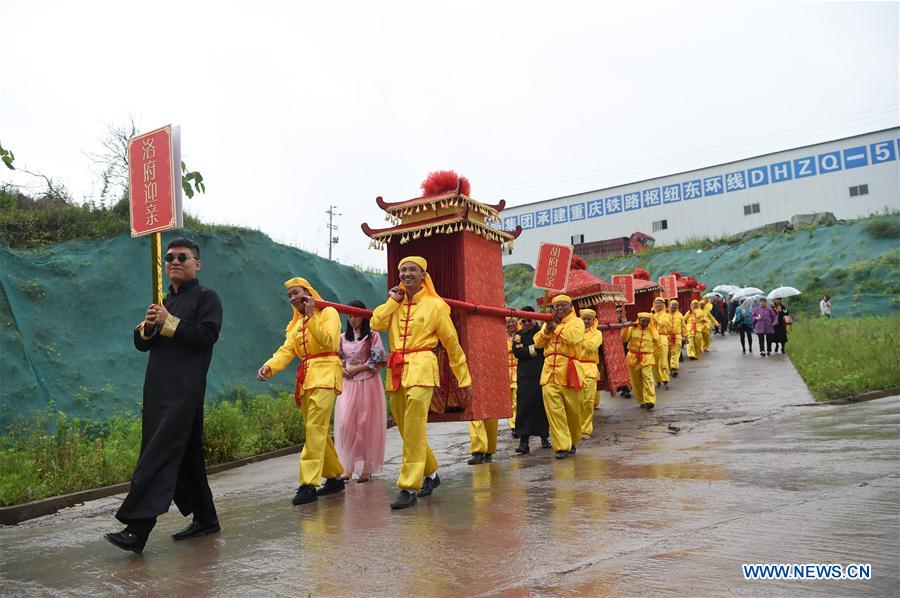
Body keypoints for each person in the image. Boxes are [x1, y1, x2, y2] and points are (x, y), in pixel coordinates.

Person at [106, 238, 223, 554]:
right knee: (186, 460)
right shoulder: (162, 303)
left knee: (156, 456)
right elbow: (142, 343)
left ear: (196, 264)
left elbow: (207, 334)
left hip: (183, 394)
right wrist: (147, 327)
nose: (174, 261)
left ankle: (137, 529)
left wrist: (170, 324)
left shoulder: (206, 298)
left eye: (182, 257)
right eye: (169, 257)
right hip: (157, 393)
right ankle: (206, 518)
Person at [370, 256, 472, 509]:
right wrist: (392, 301)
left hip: (423, 367)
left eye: (412, 270)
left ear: (423, 275)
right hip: (397, 369)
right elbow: (375, 324)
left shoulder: (435, 306)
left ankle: (408, 486)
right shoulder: (394, 303)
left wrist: (464, 377)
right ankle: (432, 474)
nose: (406, 273)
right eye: (402, 269)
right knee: (407, 430)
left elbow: (452, 344)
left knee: (415, 425)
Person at [257, 277, 345, 505]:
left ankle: (308, 483)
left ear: (308, 292)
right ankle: (334, 477)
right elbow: (286, 350)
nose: (293, 298)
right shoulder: (295, 325)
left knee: (315, 427)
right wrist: (270, 366)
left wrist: (310, 316)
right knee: (316, 430)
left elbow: (328, 343)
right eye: (290, 296)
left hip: (326, 372)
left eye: (296, 293)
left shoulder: (329, 313)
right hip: (307, 376)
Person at [335, 300, 387, 483]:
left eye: (356, 315)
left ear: (363, 316)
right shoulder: (342, 338)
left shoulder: (372, 335)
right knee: (345, 423)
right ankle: (346, 466)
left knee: (365, 424)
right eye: (349, 316)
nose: (352, 319)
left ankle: (367, 467)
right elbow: (337, 359)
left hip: (367, 383)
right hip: (348, 384)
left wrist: (356, 369)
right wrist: (342, 370)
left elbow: (377, 361)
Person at [534, 295, 586, 459]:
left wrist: (555, 327)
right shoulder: (548, 322)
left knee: (573, 411)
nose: (560, 308)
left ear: (571, 307)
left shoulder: (577, 322)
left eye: (563, 305)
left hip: (569, 371)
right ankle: (562, 446)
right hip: (549, 371)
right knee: (554, 411)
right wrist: (546, 332)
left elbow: (573, 338)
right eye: (556, 306)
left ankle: (573, 439)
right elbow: (537, 344)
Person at [512, 307, 551, 454]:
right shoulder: (519, 334)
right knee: (524, 407)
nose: (527, 323)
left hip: (542, 373)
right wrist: (535, 348)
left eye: (529, 320)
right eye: (524, 320)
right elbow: (518, 352)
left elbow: (545, 346)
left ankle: (544, 437)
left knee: (543, 406)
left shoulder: (543, 331)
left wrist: (531, 350)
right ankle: (524, 442)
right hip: (525, 376)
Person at [620, 313, 659, 409]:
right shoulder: (632, 328)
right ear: (639, 320)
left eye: (647, 321)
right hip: (632, 357)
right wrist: (626, 327)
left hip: (647, 358)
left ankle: (650, 400)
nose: (645, 323)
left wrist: (652, 328)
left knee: (648, 378)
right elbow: (623, 339)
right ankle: (642, 401)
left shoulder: (652, 330)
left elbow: (657, 340)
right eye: (643, 321)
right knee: (636, 381)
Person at [576, 308, 603, 439]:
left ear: (594, 320)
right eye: (583, 319)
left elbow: (592, 346)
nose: (586, 321)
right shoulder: (574, 331)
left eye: (589, 319)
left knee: (588, 400)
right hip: (575, 367)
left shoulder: (597, 333)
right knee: (575, 400)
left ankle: (585, 429)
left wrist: (579, 336)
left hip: (590, 368)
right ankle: (575, 427)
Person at [662, 299, 688, 379]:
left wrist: (685, 336)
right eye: (672, 305)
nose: (674, 306)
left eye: (676, 305)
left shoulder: (680, 315)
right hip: (666, 337)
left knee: (675, 352)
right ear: (669, 306)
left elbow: (683, 327)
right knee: (668, 353)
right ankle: (669, 368)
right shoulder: (664, 315)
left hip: (677, 337)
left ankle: (674, 368)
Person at [650, 298, 670, 390]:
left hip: (662, 337)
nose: (658, 305)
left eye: (660, 303)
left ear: (663, 305)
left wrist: (655, 317)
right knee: (654, 361)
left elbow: (664, 324)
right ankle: (658, 380)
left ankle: (665, 380)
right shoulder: (651, 315)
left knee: (663, 360)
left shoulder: (667, 315)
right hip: (653, 339)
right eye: (656, 303)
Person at [506, 317, 519, 438]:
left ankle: (516, 425)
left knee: (517, 399)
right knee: (509, 401)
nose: (510, 325)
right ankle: (513, 425)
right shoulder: (500, 337)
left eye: (513, 323)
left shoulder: (520, 336)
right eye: (508, 323)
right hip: (505, 372)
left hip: (518, 370)